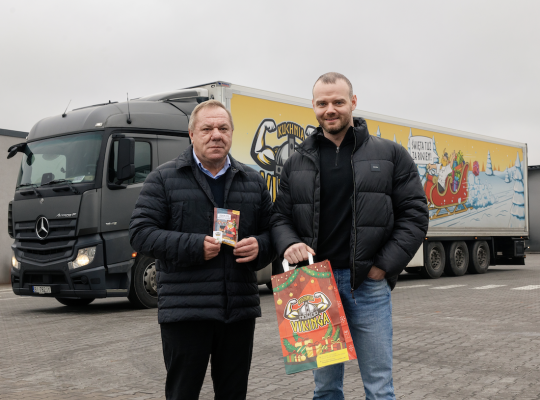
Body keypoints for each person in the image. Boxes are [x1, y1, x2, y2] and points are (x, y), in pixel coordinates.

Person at [271, 72, 429, 400]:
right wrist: (289, 243)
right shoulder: (296, 162)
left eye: (338, 102)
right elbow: (280, 217)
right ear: (313, 106)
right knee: (326, 388)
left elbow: (414, 216)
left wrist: (383, 266)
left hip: (367, 286)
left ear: (353, 103)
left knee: (379, 386)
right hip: (314, 289)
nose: (330, 109)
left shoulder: (391, 155)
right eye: (322, 103)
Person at [129, 100, 275, 400]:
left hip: (237, 312)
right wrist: (194, 246)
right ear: (191, 134)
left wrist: (261, 246)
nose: (216, 135)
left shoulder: (252, 181)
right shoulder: (163, 178)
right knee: (182, 393)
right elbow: (140, 234)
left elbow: (274, 232)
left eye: (223, 128)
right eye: (207, 128)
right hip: (186, 312)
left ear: (232, 133)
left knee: (233, 394)